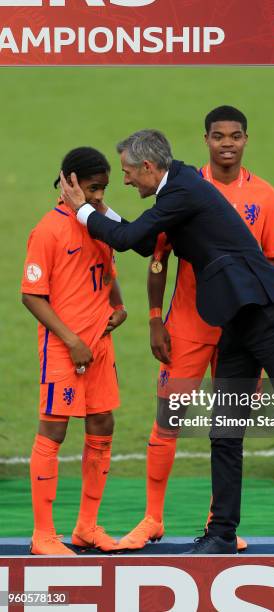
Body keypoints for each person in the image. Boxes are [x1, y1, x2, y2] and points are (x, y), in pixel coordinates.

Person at [60, 130, 274, 555]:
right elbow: (143, 242)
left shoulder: (182, 191)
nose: (125, 181)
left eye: (126, 173)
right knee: (226, 430)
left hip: (268, 315)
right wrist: (99, 211)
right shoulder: (176, 189)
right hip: (238, 319)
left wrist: (84, 210)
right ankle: (220, 533)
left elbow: (126, 240)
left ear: (148, 167)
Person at [116, 106, 274, 552]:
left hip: (245, 330)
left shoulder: (265, 196)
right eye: (218, 136)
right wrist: (155, 318)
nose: (227, 144)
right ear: (206, 140)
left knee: (229, 428)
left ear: (246, 140)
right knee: (168, 419)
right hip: (189, 325)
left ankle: (221, 528)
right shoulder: (182, 188)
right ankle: (152, 519)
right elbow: (158, 259)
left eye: (235, 136)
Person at [21, 147, 127, 555]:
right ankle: (43, 535)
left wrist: (117, 306)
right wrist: (72, 340)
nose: (99, 196)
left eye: (103, 188)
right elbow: (32, 295)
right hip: (64, 348)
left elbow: (108, 270)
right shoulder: (48, 230)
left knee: (102, 425)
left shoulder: (98, 223)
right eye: (92, 187)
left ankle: (86, 527)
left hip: (100, 346)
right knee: (55, 429)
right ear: (68, 182)